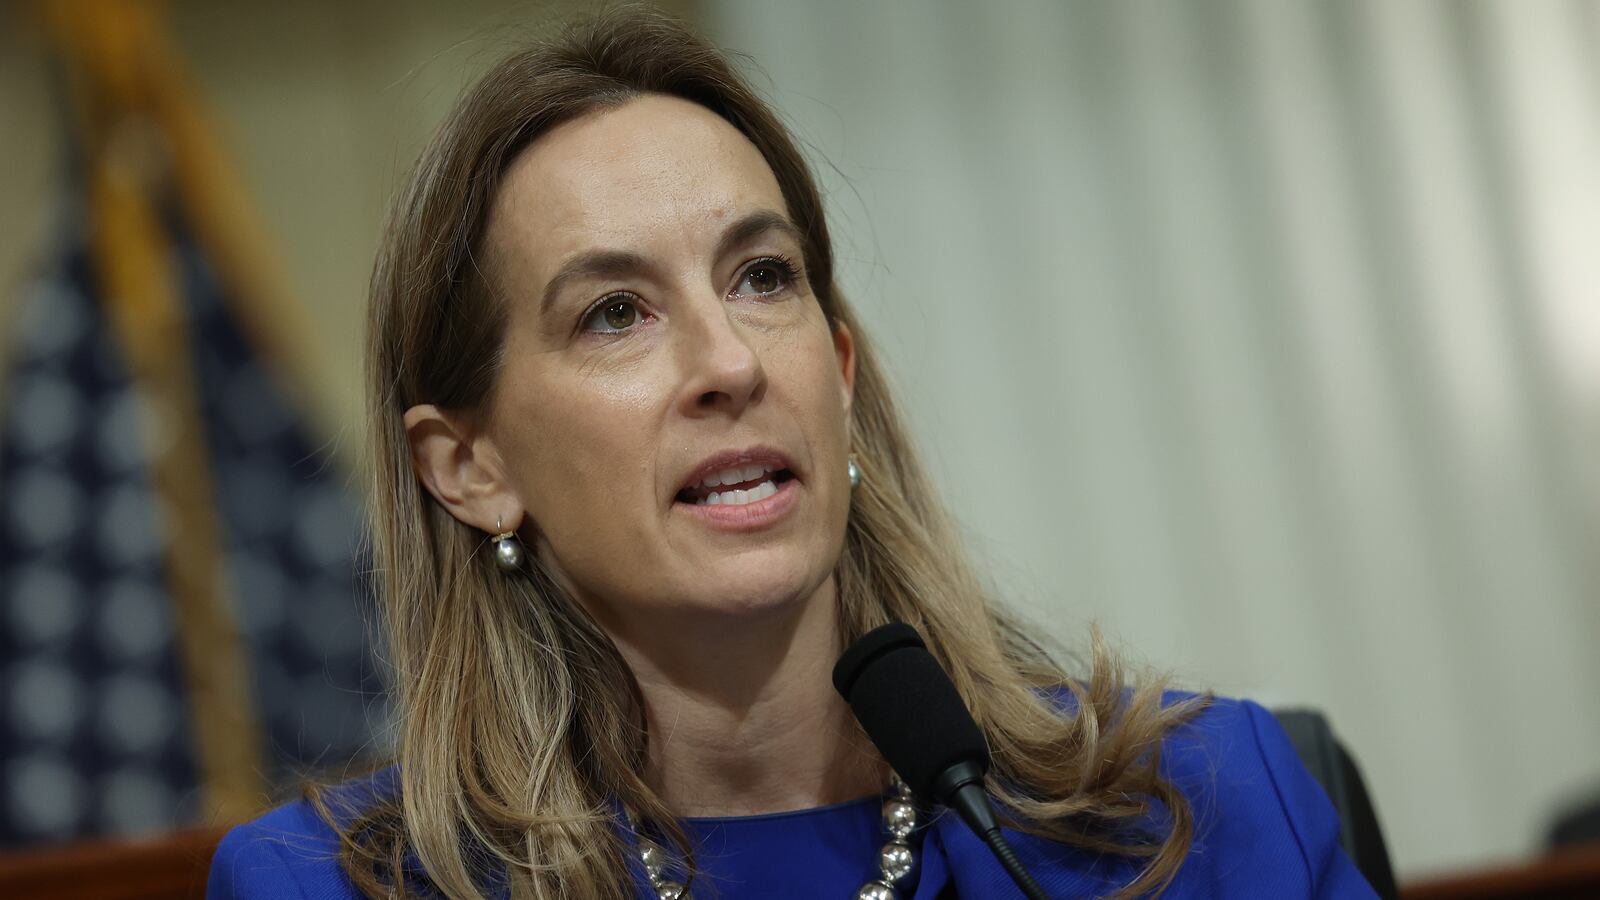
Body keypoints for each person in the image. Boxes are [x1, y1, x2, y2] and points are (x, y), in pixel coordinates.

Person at [207, 8, 1378, 899]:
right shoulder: (325, 887)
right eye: (614, 312)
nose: (729, 361)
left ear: (841, 373)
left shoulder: (1209, 811)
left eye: (763, 277)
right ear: (469, 468)